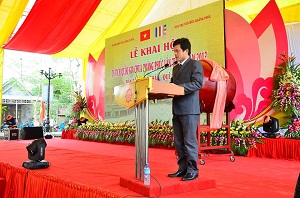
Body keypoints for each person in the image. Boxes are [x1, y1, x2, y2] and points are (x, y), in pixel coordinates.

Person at [168, 38, 204, 181]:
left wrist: (178, 89)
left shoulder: (195, 64)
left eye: (177, 51)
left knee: (189, 142)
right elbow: (172, 85)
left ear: (186, 51)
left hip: (189, 110)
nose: (175, 54)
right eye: (174, 51)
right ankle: (182, 168)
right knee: (179, 142)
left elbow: (197, 83)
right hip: (177, 109)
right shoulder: (175, 67)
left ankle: (193, 170)